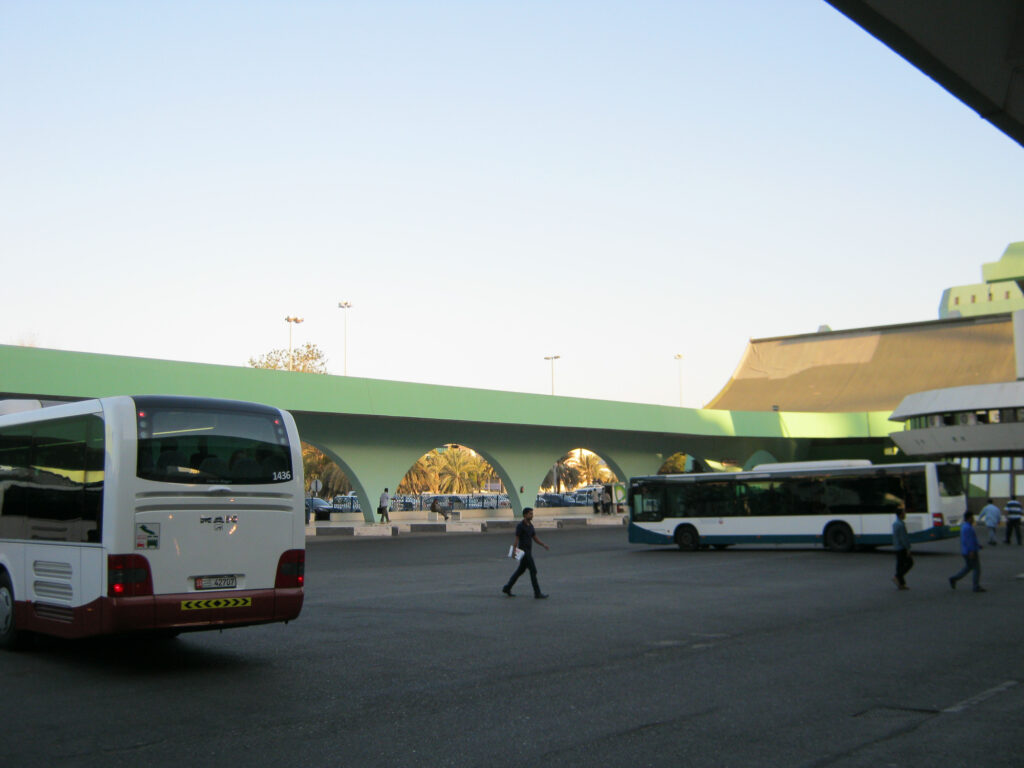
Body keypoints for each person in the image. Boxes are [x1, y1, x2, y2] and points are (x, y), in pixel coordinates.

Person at [502, 508, 550, 599]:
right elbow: (516, 539)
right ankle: (537, 593)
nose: (532, 515)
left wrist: (543, 545)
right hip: (524, 552)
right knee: (533, 570)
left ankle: (507, 587)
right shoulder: (520, 526)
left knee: (520, 571)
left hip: (529, 551)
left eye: (532, 514)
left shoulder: (531, 526)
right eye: (530, 514)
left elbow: (535, 538)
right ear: (525, 515)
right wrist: (514, 551)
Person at [949, 510, 985, 592]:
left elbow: (970, 540)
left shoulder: (965, 526)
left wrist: (977, 545)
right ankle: (976, 586)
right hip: (970, 551)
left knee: (969, 567)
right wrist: (972, 550)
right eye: (972, 517)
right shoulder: (968, 528)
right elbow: (969, 541)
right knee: (976, 569)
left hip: (966, 551)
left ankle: (954, 578)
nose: (973, 519)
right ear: (969, 518)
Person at [892, 508, 913, 590]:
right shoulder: (900, 524)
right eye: (904, 513)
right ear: (900, 514)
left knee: (900, 565)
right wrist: (908, 548)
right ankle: (897, 577)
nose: (905, 515)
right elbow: (903, 538)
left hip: (897, 546)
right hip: (901, 547)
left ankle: (901, 584)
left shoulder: (896, 523)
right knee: (909, 563)